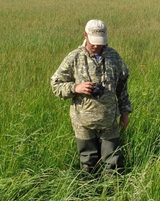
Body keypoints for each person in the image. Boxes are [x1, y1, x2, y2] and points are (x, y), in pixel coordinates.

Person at [51, 19, 132, 173]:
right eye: (93, 42)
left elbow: (122, 86)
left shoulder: (113, 56)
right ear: (85, 36)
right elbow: (56, 84)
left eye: (100, 42)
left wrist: (125, 113)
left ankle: (112, 188)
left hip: (109, 120)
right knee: (88, 163)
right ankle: (89, 187)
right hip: (83, 122)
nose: (96, 46)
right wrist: (76, 88)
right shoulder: (74, 57)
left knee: (113, 162)